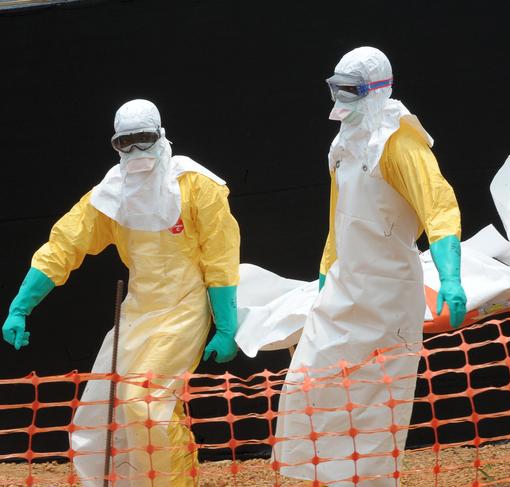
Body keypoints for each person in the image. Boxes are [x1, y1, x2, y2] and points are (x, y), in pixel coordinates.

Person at [2, 99, 240, 486]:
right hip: (137, 310)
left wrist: (226, 324)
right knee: (101, 413)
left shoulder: (197, 186)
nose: (135, 151)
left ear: (161, 135)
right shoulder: (112, 193)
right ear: (115, 144)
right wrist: (21, 306)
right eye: (124, 143)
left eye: (143, 139)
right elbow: (65, 245)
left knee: (145, 404)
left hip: (185, 306)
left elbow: (220, 256)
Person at [273, 46, 467, 486]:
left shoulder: (401, 144)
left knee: (375, 409)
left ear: (378, 89)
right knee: (306, 387)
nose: (341, 100)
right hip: (344, 290)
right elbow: (337, 221)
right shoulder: (342, 144)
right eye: (335, 88)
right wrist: (325, 277)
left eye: (351, 90)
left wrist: (451, 277)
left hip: (388, 298)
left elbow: (439, 210)